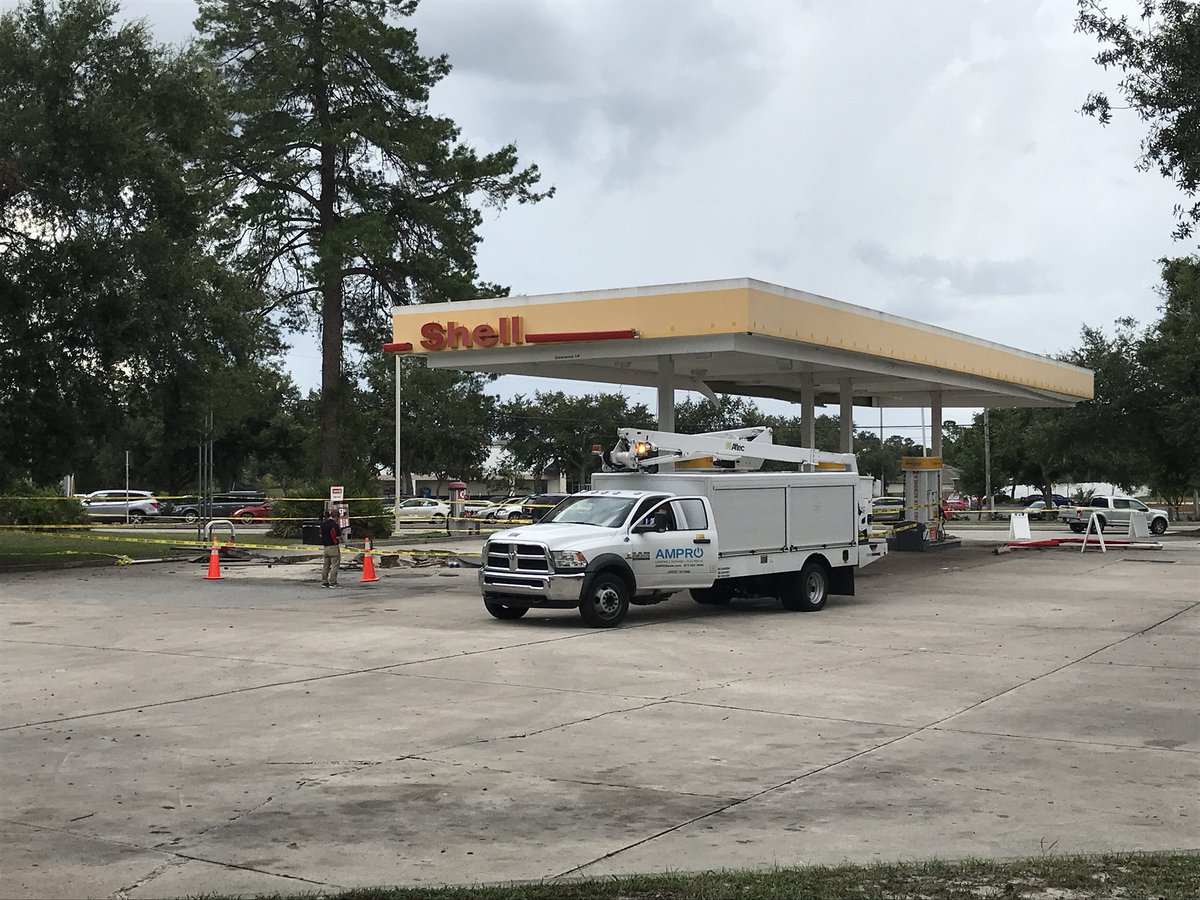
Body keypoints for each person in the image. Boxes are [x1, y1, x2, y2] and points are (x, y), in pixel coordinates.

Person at [319, 508, 341, 588]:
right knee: (335, 565)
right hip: (333, 547)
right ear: (336, 517)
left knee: (326, 565)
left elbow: (321, 535)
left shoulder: (323, 524)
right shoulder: (334, 525)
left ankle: (324, 582)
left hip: (325, 547)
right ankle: (333, 582)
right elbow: (337, 537)